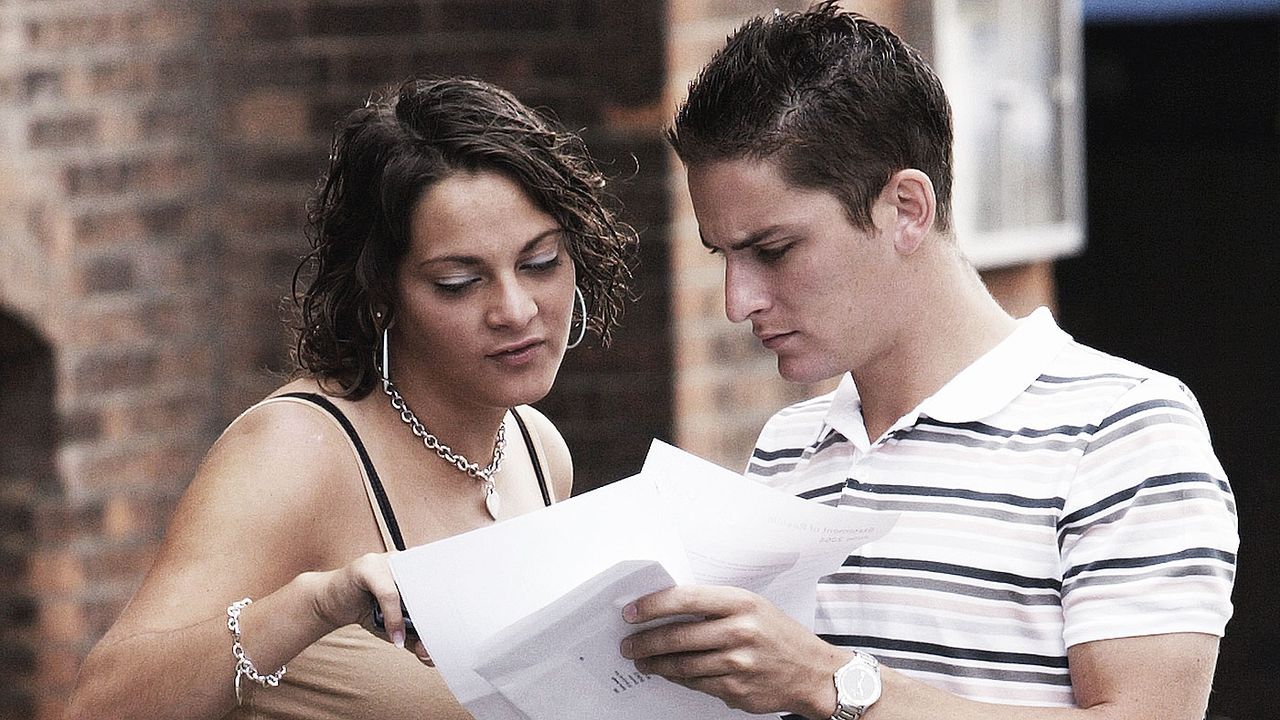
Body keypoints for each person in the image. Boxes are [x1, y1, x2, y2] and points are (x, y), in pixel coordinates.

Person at [620, 3, 1237, 719]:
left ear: (906, 208)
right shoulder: (787, 450)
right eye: (722, 255)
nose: (738, 300)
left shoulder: (1124, 429)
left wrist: (831, 682)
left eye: (773, 249)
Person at [64, 75, 636, 720]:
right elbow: (100, 705)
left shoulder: (536, 446)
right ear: (379, 292)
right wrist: (315, 604)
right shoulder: (298, 452)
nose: (515, 308)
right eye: (458, 282)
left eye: (540, 263)